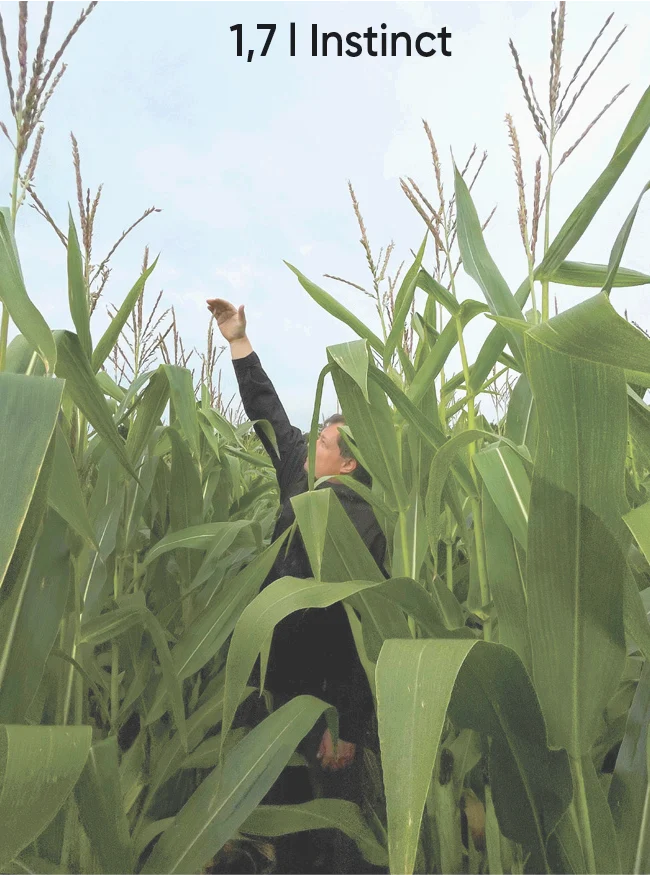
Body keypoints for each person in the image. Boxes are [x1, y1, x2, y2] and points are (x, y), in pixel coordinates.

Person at [207, 298, 387, 874]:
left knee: (331, 830)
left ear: (349, 464)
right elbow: (268, 412)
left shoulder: (367, 520)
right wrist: (239, 341)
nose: (310, 446)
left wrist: (350, 725)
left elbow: (368, 623)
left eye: (324, 444)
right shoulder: (298, 477)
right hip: (276, 686)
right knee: (281, 813)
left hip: (329, 703)